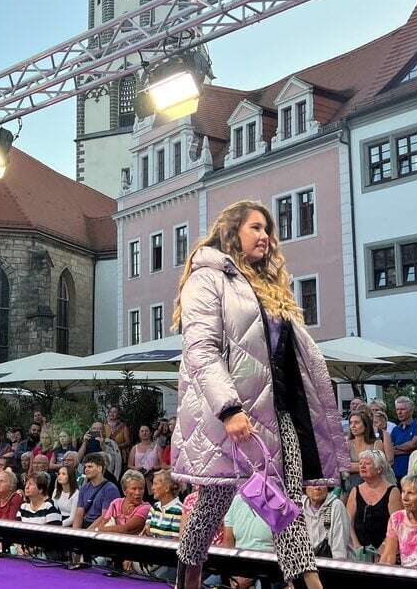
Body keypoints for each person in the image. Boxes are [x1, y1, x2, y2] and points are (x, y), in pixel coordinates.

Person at [169, 201, 348, 589]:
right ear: (232, 232)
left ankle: (193, 578)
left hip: (280, 412)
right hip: (234, 416)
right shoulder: (208, 277)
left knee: (285, 506)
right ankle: (190, 576)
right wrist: (229, 408)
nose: (265, 235)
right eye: (255, 227)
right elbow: (201, 349)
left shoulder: (269, 285)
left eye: (268, 228)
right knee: (213, 506)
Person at [346, 449, 400, 558]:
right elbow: (348, 523)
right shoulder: (355, 491)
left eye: (367, 463)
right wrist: (357, 548)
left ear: (379, 468)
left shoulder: (393, 492)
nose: (362, 466)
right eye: (360, 463)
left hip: (384, 553)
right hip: (358, 552)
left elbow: (397, 526)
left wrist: (383, 549)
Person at [91, 469, 149, 534]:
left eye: (141, 489)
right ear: (124, 491)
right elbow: (104, 523)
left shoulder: (146, 508)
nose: (138, 492)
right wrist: (97, 529)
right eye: (134, 489)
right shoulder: (116, 503)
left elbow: (126, 529)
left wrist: (98, 529)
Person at [72, 453, 119, 528]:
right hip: (85, 524)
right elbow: (79, 513)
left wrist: (87, 533)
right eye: (85, 467)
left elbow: (105, 517)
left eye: (90, 467)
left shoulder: (110, 489)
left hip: (101, 528)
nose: (86, 469)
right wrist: (75, 533)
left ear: (99, 468)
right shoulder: (84, 488)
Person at [304, 484, 350, 560]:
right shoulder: (298, 505)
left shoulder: (336, 506)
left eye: (321, 483)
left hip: (332, 566)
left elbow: (339, 552)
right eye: (313, 484)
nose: (317, 488)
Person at [345, 411, 388, 489]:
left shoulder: (377, 444)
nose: (353, 426)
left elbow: (378, 466)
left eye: (356, 422)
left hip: (374, 486)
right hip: (351, 486)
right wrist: (368, 466)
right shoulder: (346, 445)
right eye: (351, 423)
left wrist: (353, 466)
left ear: (366, 425)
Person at [389, 397, 417, 481]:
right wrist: (407, 450)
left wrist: (396, 447)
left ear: (411, 410)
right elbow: (389, 451)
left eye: (402, 409)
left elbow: (413, 444)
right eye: (397, 409)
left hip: (412, 472)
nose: (399, 412)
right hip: (395, 473)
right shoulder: (395, 429)